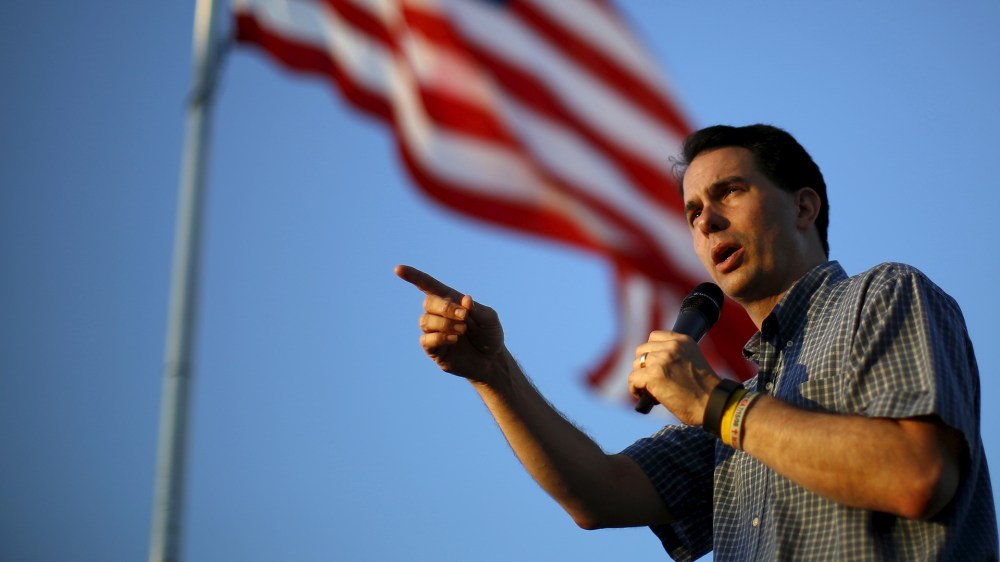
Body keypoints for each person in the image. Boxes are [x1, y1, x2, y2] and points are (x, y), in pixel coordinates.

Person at [395, 124, 998, 561]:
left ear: (804, 206)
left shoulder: (885, 294)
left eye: (729, 192)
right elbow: (598, 495)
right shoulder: (743, 404)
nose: (705, 221)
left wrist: (717, 406)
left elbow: (918, 476)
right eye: (692, 213)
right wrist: (493, 372)